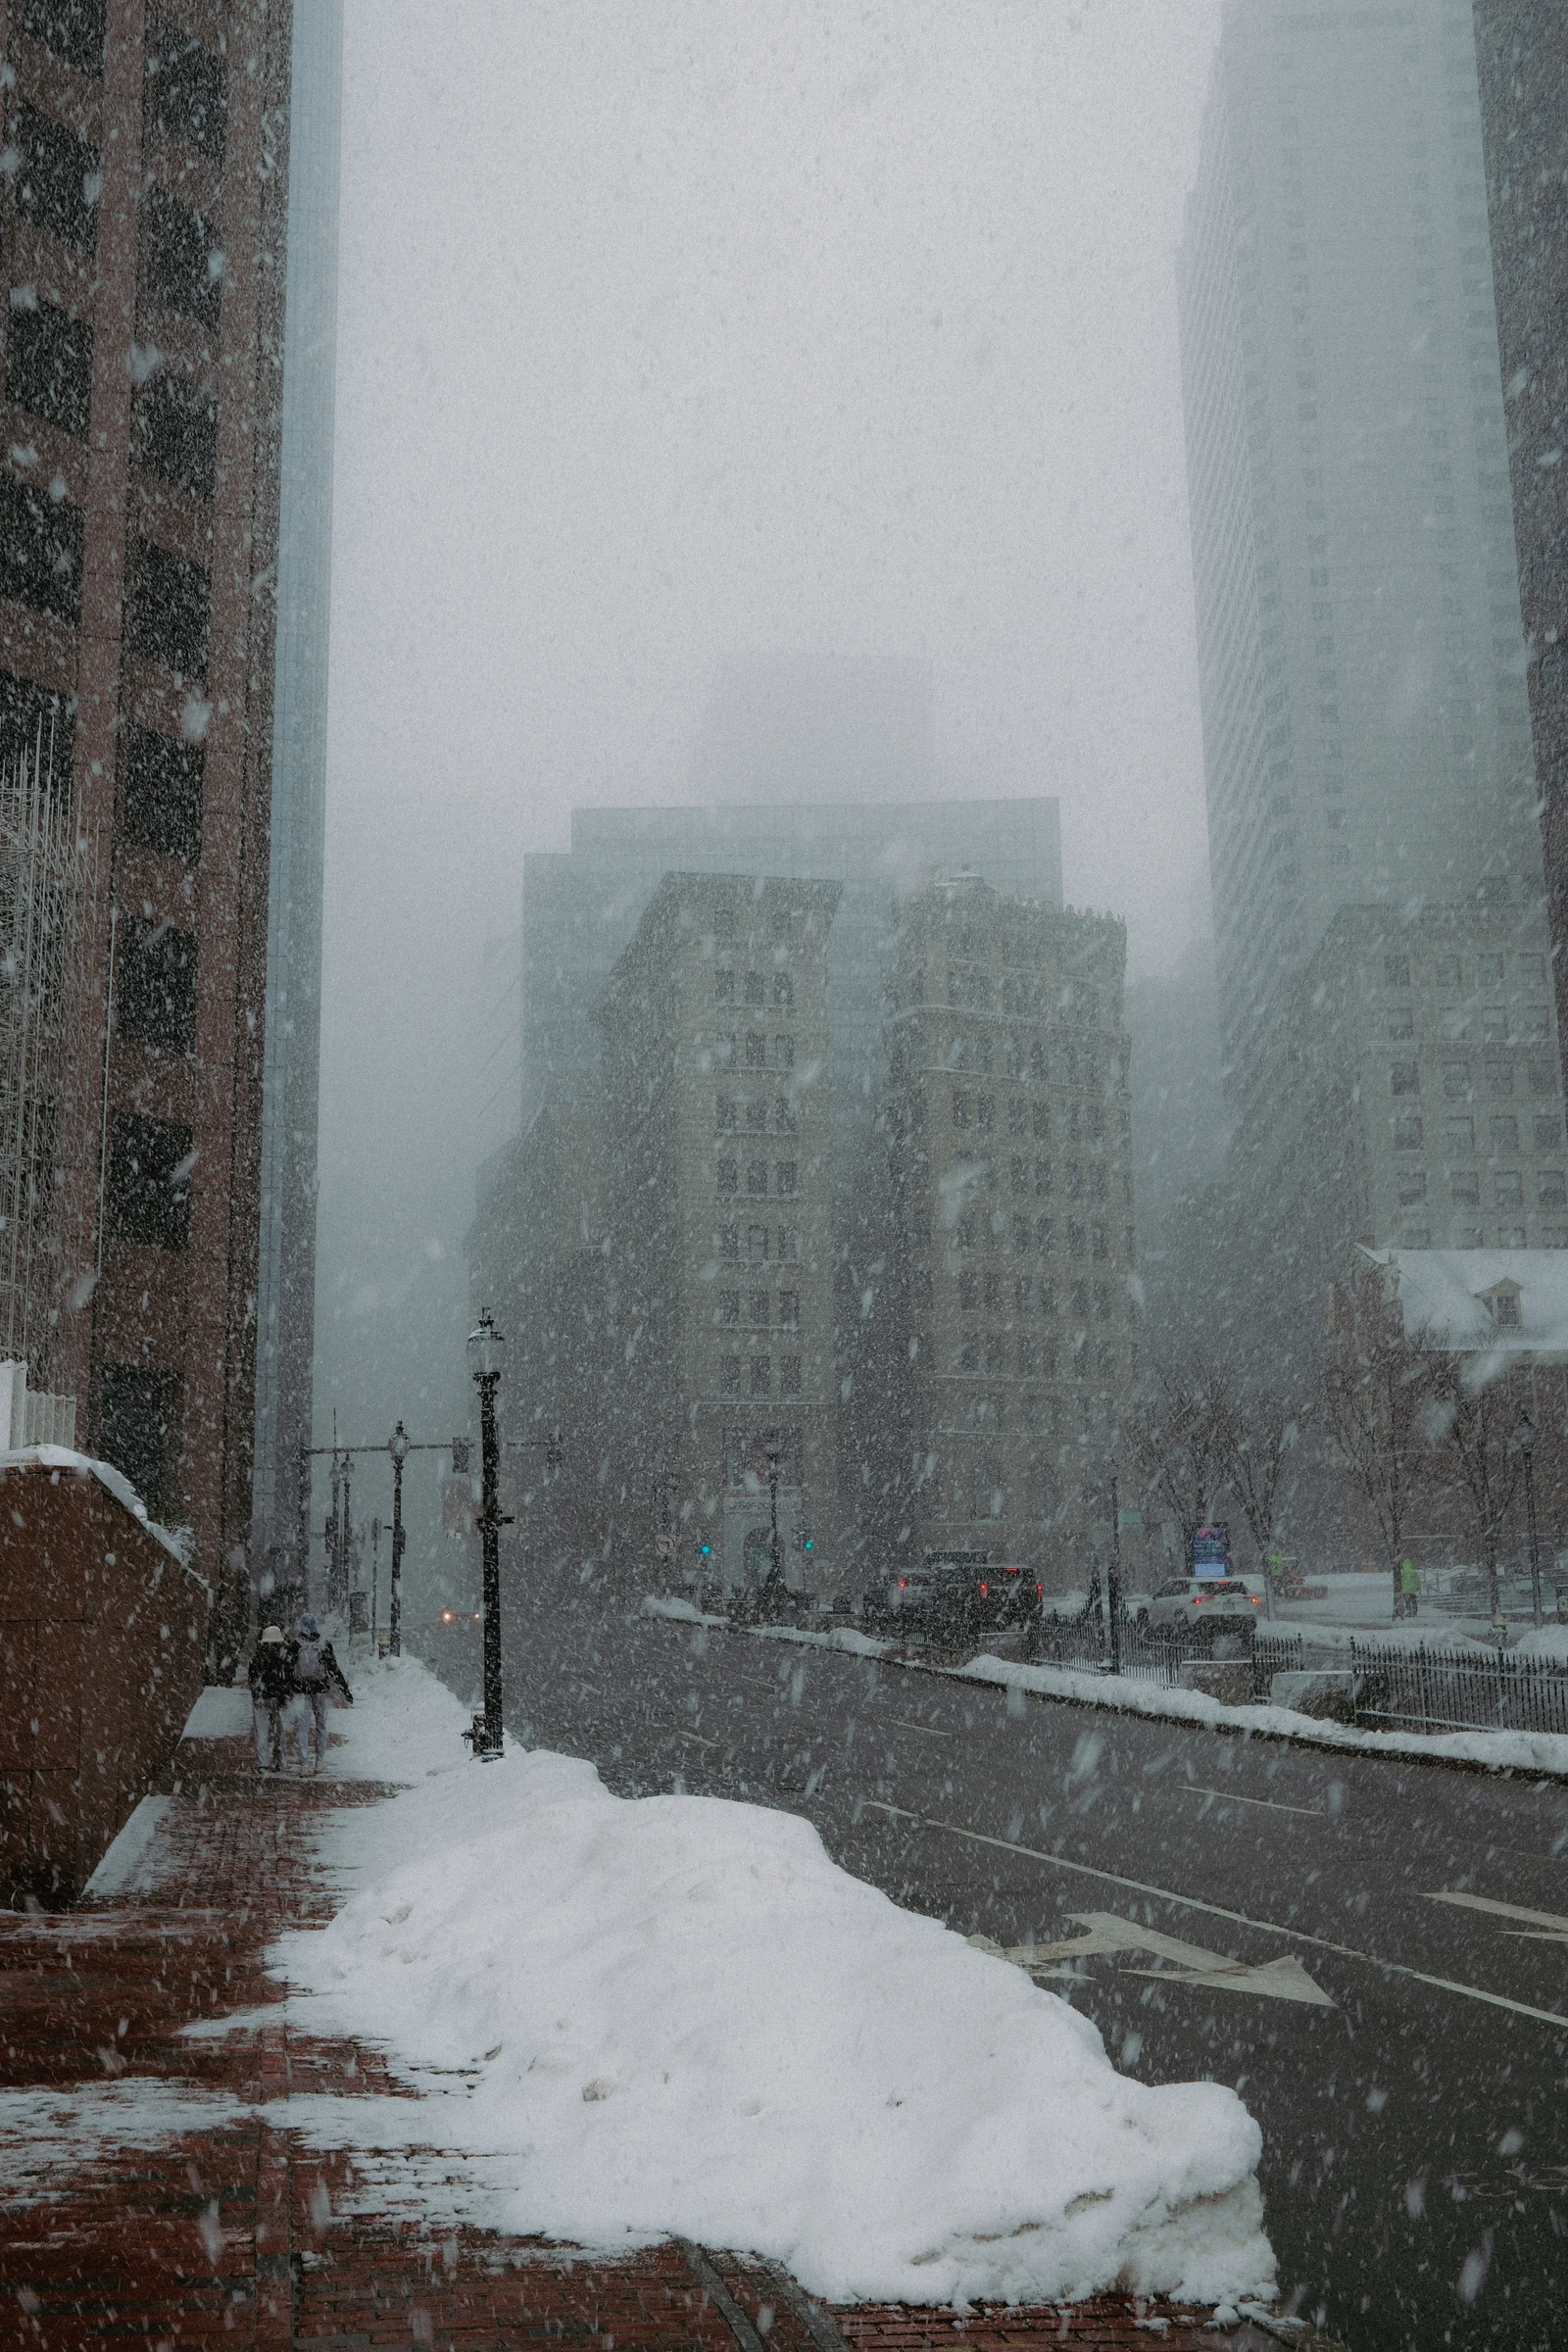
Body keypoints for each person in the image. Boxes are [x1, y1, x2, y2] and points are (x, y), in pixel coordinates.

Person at [292, 1612, 353, 1773]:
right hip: (320, 1688)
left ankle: (304, 1764)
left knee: (302, 1728)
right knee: (321, 1726)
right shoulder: (324, 1644)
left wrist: (287, 1689)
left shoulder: (296, 1645)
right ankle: (319, 1761)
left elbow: (287, 1668)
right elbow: (334, 1669)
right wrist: (345, 1689)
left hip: (301, 1689)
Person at [247, 1625, 293, 1771]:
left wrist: (257, 1694)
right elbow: (289, 1678)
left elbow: (252, 1679)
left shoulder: (257, 1658)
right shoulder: (283, 1658)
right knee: (280, 1731)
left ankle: (263, 1763)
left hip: (261, 1698)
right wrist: (285, 1694)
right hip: (279, 1699)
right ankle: (279, 1759)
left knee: (261, 1732)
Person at [1399, 1558, 1419, 1623]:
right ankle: (1415, 1611)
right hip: (1412, 1589)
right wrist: (1418, 1587)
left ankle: (1409, 1611)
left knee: (1407, 1601)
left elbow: (1399, 1580)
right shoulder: (1413, 1572)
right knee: (1414, 1601)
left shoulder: (1402, 1571)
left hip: (1405, 1589)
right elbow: (1417, 1580)